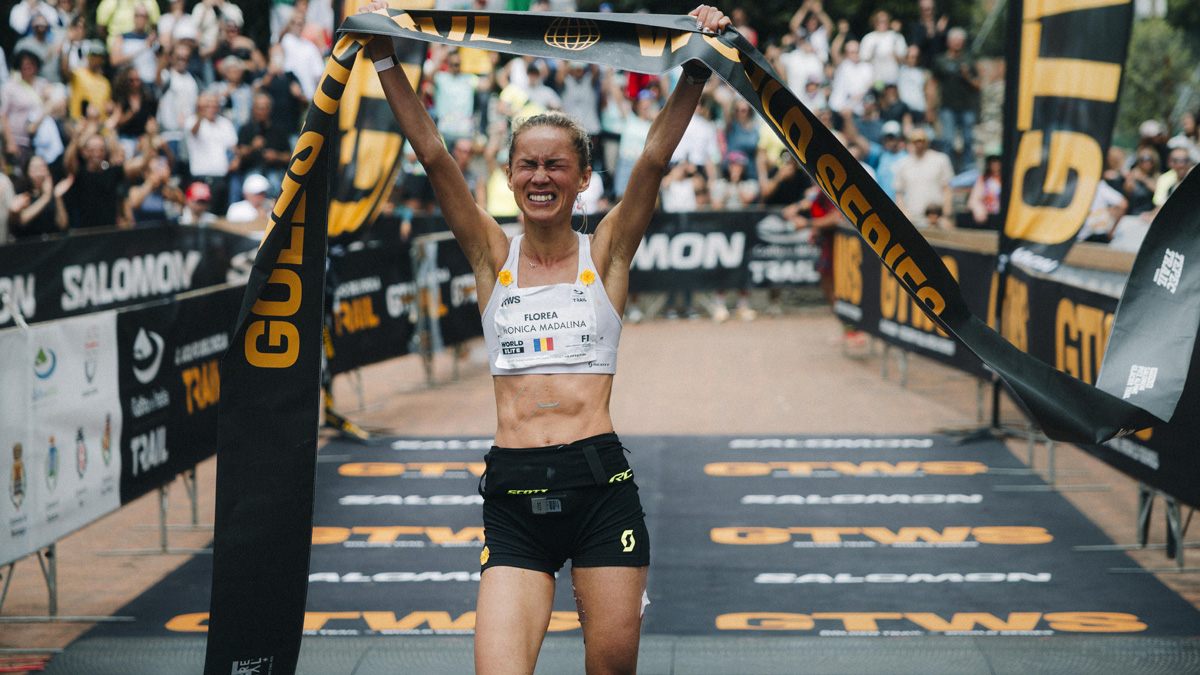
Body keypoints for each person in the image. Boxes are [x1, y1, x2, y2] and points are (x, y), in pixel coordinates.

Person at [361, 4, 731, 673]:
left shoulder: (607, 253)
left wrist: (698, 61)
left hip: (599, 487)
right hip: (515, 498)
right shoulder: (490, 256)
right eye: (527, 165)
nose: (541, 177)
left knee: (611, 668)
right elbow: (435, 155)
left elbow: (651, 159)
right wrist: (384, 56)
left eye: (557, 165)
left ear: (582, 178)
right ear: (508, 176)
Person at [931, 27, 980, 173]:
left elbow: (978, 85)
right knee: (947, 141)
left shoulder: (969, 60)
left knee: (968, 140)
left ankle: (968, 170)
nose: (957, 44)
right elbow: (933, 85)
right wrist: (930, 107)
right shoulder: (941, 60)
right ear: (948, 42)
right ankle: (947, 172)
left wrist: (967, 76)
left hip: (967, 108)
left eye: (960, 41)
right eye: (954, 41)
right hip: (947, 108)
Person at [892, 125, 953, 227]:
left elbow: (947, 188)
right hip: (913, 218)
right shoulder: (903, 163)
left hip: (936, 217)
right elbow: (898, 192)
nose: (919, 144)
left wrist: (946, 215)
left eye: (921, 140)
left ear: (927, 142)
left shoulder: (940, 160)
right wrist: (904, 214)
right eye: (915, 141)